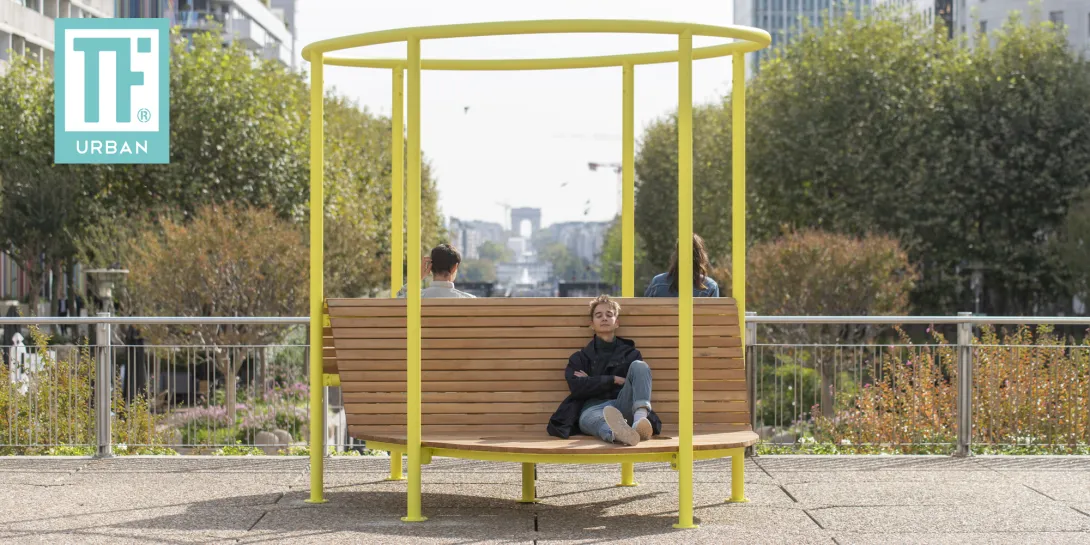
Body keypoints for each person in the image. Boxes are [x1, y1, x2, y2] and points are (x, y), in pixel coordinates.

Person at [547, 295, 662, 446]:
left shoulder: (631, 355)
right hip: (593, 408)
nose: (604, 319)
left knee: (640, 366)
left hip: (624, 404)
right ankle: (618, 434)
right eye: (598, 315)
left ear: (617, 323)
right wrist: (613, 379)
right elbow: (577, 387)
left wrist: (591, 380)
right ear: (592, 324)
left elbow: (637, 386)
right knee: (590, 420)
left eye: (609, 315)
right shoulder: (579, 358)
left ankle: (639, 420)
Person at [643, 233, 720, 297]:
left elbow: (643, 311)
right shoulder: (710, 286)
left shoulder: (657, 282)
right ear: (701, 257)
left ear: (676, 255)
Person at [396, 243, 476, 298]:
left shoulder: (414, 298)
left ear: (430, 268)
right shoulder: (470, 300)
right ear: (454, 268)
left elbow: (398, 298)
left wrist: (418, 277)